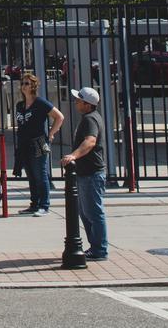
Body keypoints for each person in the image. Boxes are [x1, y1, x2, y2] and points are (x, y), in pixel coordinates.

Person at [62, 86, 107, 261]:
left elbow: (90, 141)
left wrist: (73, 155)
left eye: (79, 100)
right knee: (86, 212)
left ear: (87, 104)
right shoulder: (90, 117)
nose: (76, 102)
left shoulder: (90, 119)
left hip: (91, 173)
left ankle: (99, 249)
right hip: (86, 173)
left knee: (93, 212)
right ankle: (95, 247)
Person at [13, 73, 63, 216]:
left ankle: (44, 205)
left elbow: (59, 117)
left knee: (40, 174)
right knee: (31, 175)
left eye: (27, 83)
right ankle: (34, 204)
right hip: (24, 143)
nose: (23, 86)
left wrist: (51, 133)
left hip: (39, 142)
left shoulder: (40, 103)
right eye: (22, 83)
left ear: (33, 86)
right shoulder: (20, 105)